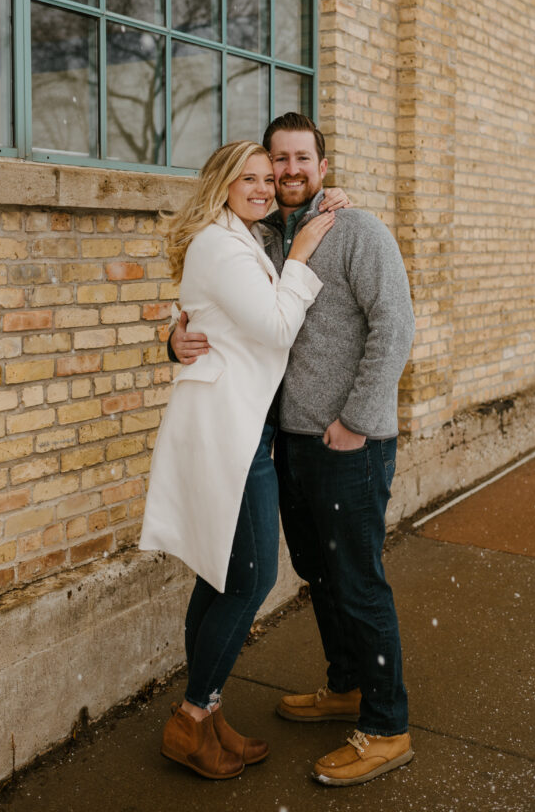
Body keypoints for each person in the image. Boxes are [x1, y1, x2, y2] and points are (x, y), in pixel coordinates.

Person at [170, 112, 416, 787]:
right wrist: (173, 336)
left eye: (300, 159)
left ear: (322, 166)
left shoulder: (357, 231)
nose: (287, 172)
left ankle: (384, 726)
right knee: (319, 571)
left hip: (347, 440)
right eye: (276, 160)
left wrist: (357, 419)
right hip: (290, 442)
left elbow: (395, 327)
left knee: (358, 581)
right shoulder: (268, 238)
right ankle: (345, 687)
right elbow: (223, 306)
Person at [139, 139, 336, 781]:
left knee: (217, 575)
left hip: (238, 423)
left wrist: (176, 331)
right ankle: (193, 718)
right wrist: (303, 257)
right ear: (222, 183)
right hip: (230, 429)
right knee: (248, 580)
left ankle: (206, 712)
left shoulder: (240, 237)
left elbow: (206, 312)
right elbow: (277, 327)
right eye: (246, 178)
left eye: (264, 177)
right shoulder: (224, 244)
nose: (260, 186)